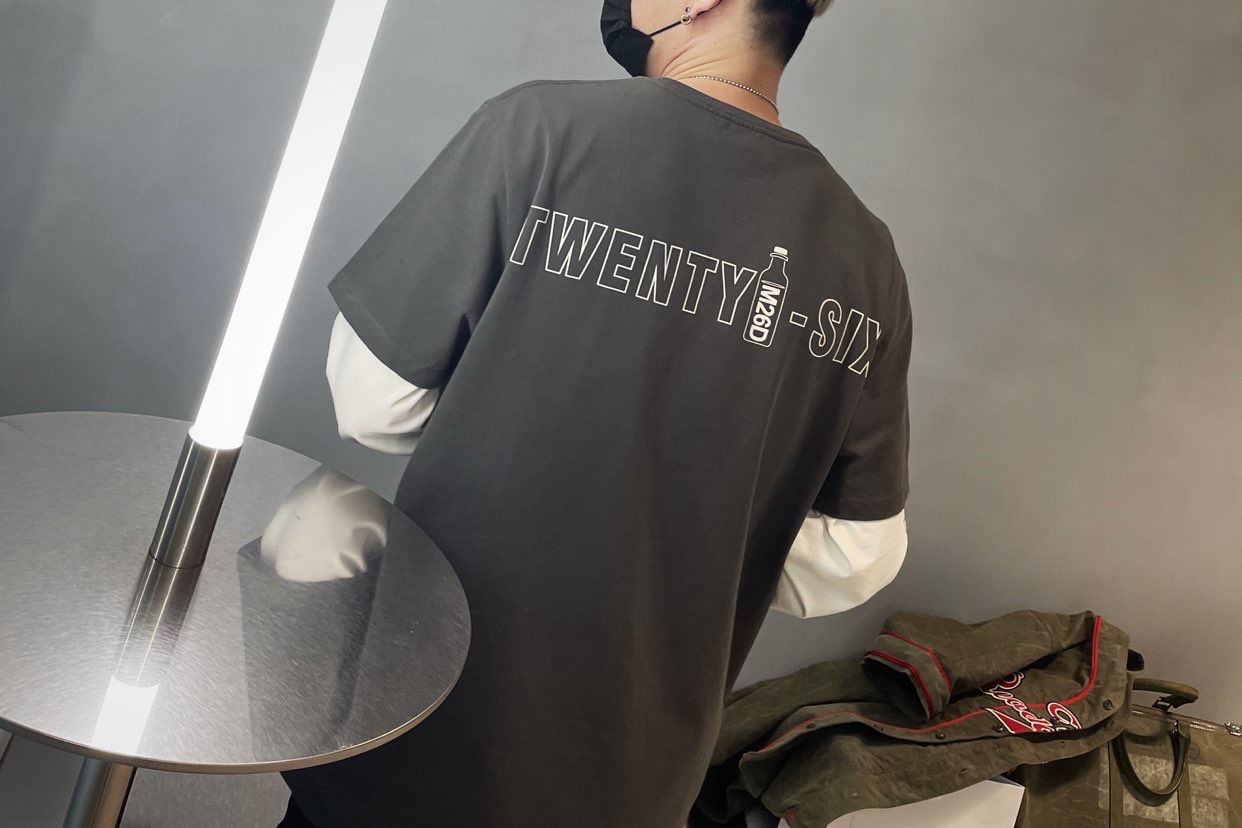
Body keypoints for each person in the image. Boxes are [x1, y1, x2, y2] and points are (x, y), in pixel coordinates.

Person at [280, 0, 913, 824]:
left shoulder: (538, 131)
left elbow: (373, 399)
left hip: (421, 724)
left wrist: (512, 420)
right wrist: (706, 532)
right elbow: (857, 556)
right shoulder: (867, 258)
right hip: (628, 781)